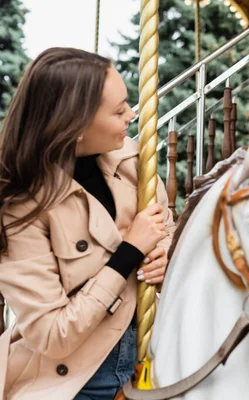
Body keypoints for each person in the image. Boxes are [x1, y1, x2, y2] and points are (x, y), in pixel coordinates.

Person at [0, 47, 176, 400]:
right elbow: (51, 335)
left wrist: (164, 256)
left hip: (152, 358)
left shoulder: (134, 166)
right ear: (75, 123)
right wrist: (127, 254)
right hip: (75, 381)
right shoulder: (22, 208)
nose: (131, 115)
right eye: (117, 110)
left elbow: (166, 230)